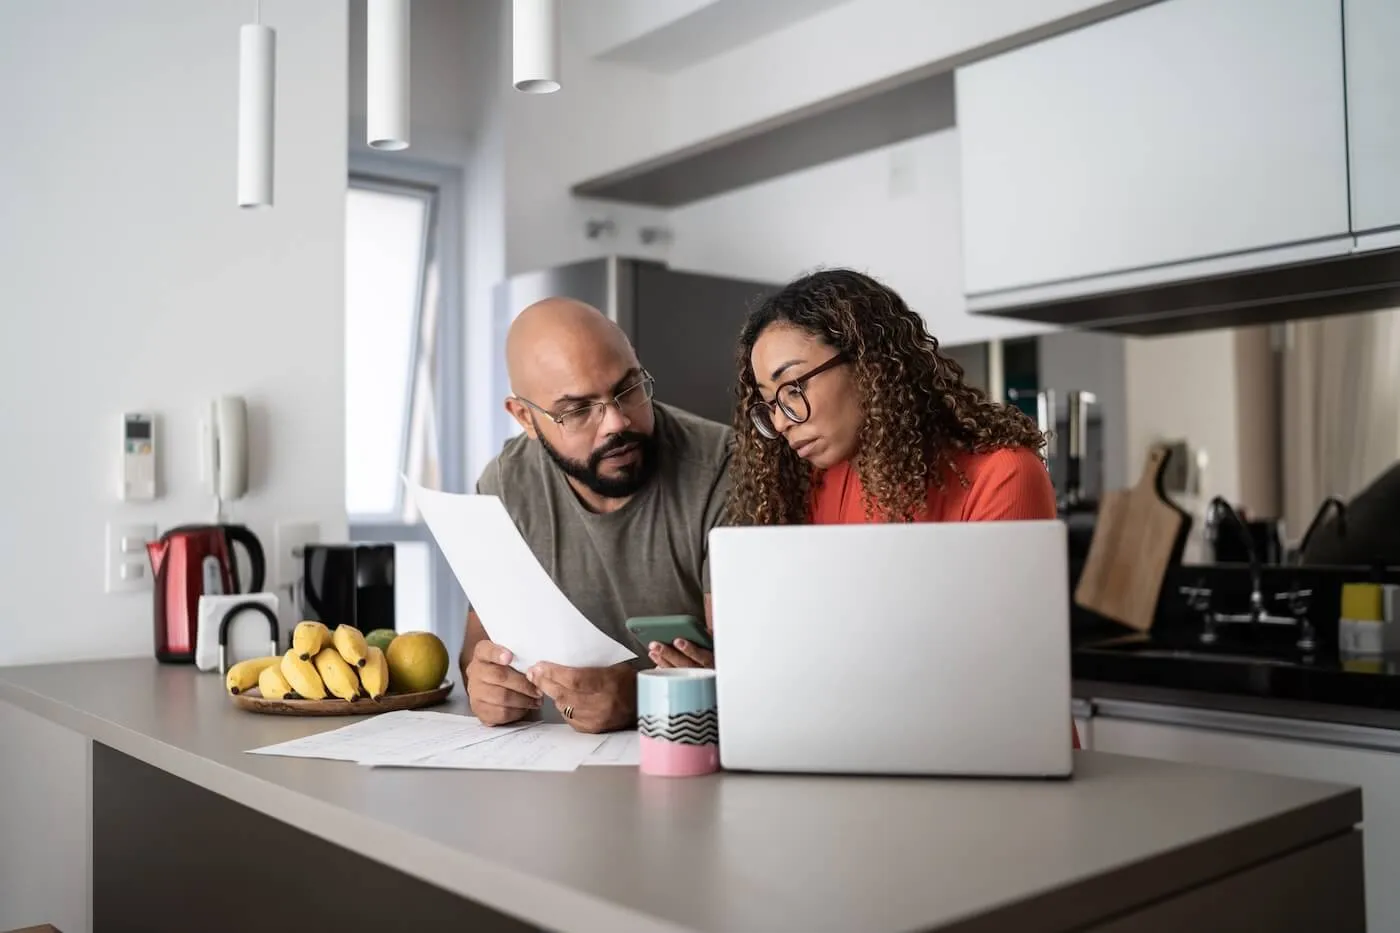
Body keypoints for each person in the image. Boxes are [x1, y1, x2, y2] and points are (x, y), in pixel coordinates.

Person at [461, 297, 732, 734]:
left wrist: (639, 698)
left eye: (628, 388)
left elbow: (756, 675)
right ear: (526, 418)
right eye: (578, 410)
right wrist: (489, 686)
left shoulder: (725, 469)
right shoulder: (504, 486)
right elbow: (480, 648)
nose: (617, 423)